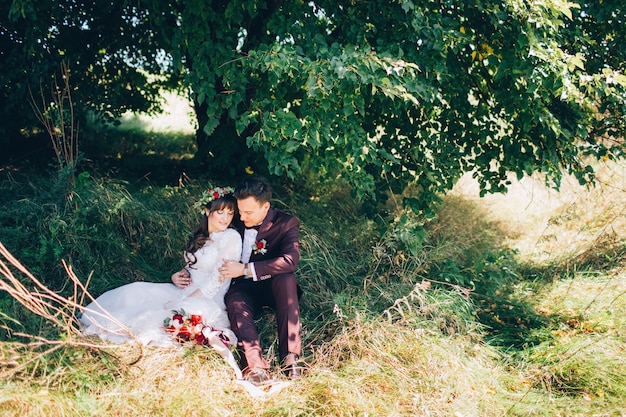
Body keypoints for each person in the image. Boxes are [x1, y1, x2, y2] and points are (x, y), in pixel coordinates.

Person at [80, 186, 243, 378]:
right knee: (137, 290)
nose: (225, 218)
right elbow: (194, 268)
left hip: (207, 297)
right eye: (220, 212)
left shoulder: (231, 237)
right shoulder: (201, 235)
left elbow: (217, 279)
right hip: (184, 289)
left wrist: (185, 300)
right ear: (207, 211)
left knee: (162, 315)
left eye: (230, 213)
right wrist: (176, 276)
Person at [219, 175, 303, 386]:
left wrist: (246, 269)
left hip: (273, 284)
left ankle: (290, 358)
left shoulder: (286, 223)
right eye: (240, 211)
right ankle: (255, 366)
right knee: (235, 302)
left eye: (248, 212)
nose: (242, 216)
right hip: (243, 287)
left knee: (286, 279)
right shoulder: (235, 218)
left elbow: (290, 260)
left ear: (265, 207)